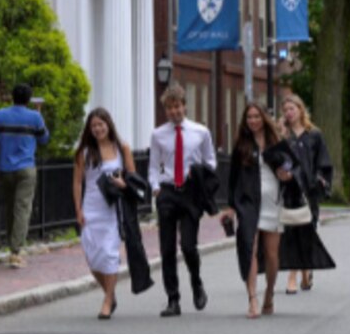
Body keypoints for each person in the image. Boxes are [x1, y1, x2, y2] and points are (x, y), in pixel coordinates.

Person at [148, 83, 217, 317]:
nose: (174, 112)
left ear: (184, 106)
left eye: (177, 107)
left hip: (190, 192)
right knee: (167, 249)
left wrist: (196, 172)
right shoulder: (158, 135)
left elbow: (211, 162)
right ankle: (173, 299)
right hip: (168, 191)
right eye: (169, 108)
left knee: (188, 246)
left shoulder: (201, 132)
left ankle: (196, 283)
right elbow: (152, 167)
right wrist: (156, 188)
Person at [224, 102, 294, 319]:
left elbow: (291, 168)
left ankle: (269, 294)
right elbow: (232, 177)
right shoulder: (242, 146)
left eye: (256, 116)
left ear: (264, 118)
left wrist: (287, 175)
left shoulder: (277, 142)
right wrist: (230, 207)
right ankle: (252, 299)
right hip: (247, 201)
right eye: (249, 117)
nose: (253, 121)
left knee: (272, 255)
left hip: (272, 201)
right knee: (248, 247)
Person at [73, 108, 135, 319]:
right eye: (94, 126)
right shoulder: (85, 152)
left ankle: (108, 300)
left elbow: (133, 178)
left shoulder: (121, 148)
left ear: (109, 125)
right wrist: (78, 209)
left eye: (101, 124)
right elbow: (78, 181)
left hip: (112, 209)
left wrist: (122, 183)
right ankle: (110, 292)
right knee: (92, 257)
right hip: (91, 207)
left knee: (109, 254)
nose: (98, 129)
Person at [0, 84, 50, 269]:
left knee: (10, 208)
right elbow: (44, 139)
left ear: (12, 97)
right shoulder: (34, 117)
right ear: (29, 99)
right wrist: (39, 115)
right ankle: (16, 251)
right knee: (22, 208)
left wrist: (5, 141)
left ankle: (12, 247)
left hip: (5, 167)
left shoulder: (0, 115)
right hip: (26, 167)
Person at [280, 94, 333, 294]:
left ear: (301, 110)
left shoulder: (314, 135)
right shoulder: (284, 136)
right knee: (292, 233)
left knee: (307, 231)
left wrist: (320, 180)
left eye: (292, 109)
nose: (288, 113)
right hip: (290, 190)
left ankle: (304, 270)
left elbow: (324, 162)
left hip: (309, 192)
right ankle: (293, 275)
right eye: (285, 110)